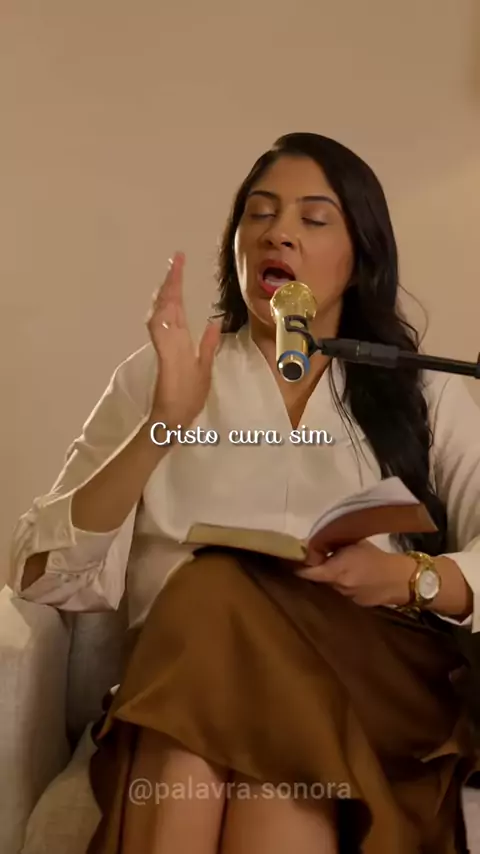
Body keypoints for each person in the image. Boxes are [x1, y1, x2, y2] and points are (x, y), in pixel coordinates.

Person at [10, 132, 480, 854]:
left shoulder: (425, 390)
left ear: (361, 257)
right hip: (196, 683)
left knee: (211, 592)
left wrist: (408, 576)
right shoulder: (160, 374)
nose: (277, 232)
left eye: (313, 219)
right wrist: (163, 426)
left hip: (374, 681)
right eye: (258, 214)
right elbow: (43, 573)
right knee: (218, 618)